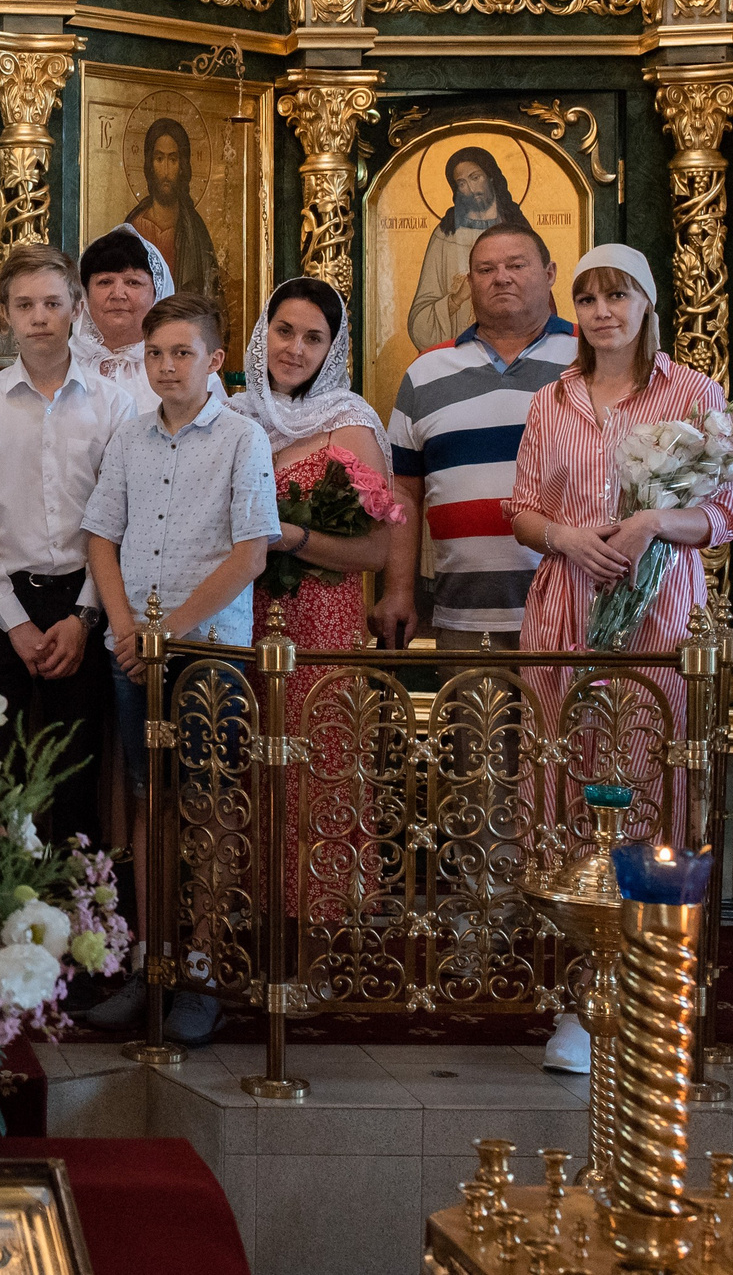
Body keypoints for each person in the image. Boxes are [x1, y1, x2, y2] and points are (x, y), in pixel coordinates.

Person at [505, 244, 733, 1075]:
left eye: (618, 295)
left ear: (646, 302)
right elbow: (525, 509)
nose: (603, 310)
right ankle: (579, 995)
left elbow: (724, 510)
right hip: (568, 604)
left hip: (656, 609)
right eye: (589, 297)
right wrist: (566, 535)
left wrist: (648, 525)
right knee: (569, 782)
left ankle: (652, 982)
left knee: (651, 780)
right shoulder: (552, 397)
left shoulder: (691, 393)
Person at [82, 291, 278, 1047]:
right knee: (146, 800)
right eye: (154, 354)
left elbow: (251, 551)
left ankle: (199, 967)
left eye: (181, 353)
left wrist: (174, 628)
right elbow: (102, 535)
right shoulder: (131, 438)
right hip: (134, 649)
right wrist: (127, 624)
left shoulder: (241, 439)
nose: (166, 366)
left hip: (208, 654)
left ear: (214, 360)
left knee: (211, 804)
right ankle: (148, 962)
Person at [230, 277, 403, 933]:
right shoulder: (234, 414)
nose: (294, 348)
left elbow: (376, 550)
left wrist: (295, 537)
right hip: (240, 617)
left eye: (312, 337)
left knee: (316, 765)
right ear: (262, 333)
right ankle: (252, 924)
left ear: (333, 349)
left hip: (319, 623)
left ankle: (322, 925)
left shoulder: (349, 424)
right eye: (284, 331)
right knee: (246, 764)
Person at [0, 243, 134, 851]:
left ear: (76, 309)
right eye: (24, 305)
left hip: (81, 603)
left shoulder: (112, 405)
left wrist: (83, 618)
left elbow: (115, 518)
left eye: (52, 303)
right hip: (1, 609)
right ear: (3, 314)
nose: (38, 317)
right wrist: (14, 625)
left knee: (74, 775)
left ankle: (79, 929)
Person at [373, 224, 578, 652]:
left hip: (573, 612)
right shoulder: (426, 371)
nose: (501, 277)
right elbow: (404, 493)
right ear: (469, 284)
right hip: (465, 618)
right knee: (470, 722)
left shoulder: (590, 357)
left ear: (550, 272)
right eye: (485, 269)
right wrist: (398, 592)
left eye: (516, 265)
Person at [70, 224, 222, 415]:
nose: (117, 294)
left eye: (132, 282)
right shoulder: (64, 363)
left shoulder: (191, 365)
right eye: (105, 282)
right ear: (85, 294)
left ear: (157, 293)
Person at [408, 147, 533, 353]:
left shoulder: (517, 229)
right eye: (462, 183)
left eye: (476, 177)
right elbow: (419, 322)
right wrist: (456, 299)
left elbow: (538, 297)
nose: (471, 188)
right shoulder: (446, 235)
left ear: (491, 177)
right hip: (458, 358)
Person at [123, 119, 222, 302]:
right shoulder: (134, 226)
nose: (166, 170)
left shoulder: (195, 230)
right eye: (159, 159)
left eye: (173, 159)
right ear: (150, 164)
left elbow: (211, 296)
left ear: (183, 165)